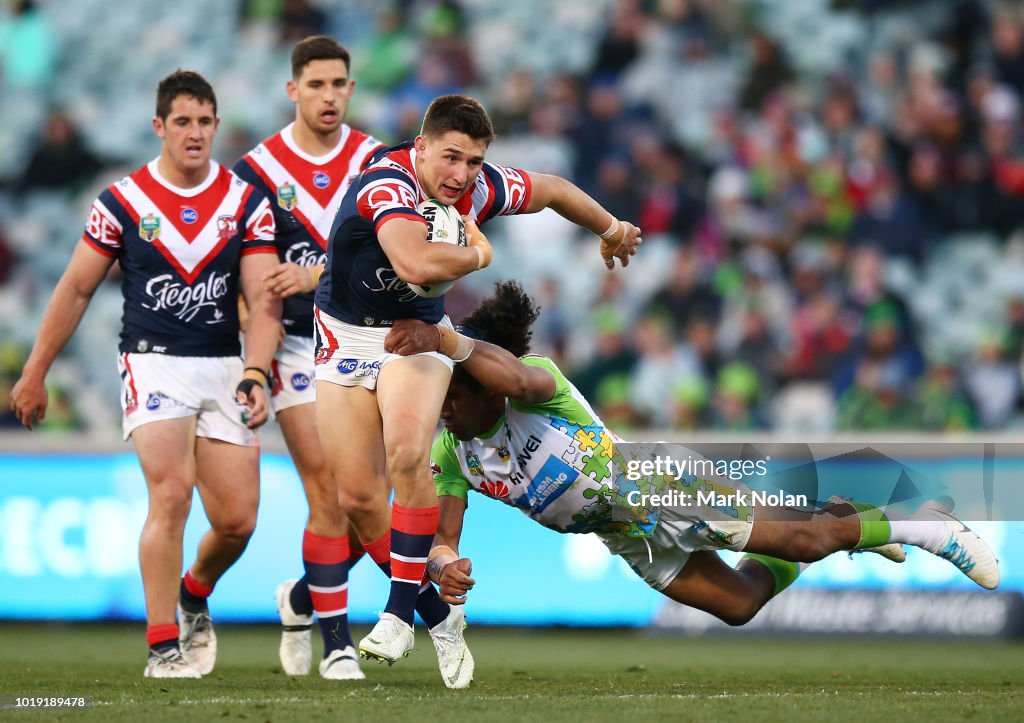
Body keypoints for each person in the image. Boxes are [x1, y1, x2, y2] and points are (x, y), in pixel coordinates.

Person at [382, 281, 1000, 632]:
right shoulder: (449, 448)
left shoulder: (532, 384)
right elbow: (443, 532)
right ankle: (841, 515)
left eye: (449, 396)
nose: (441, 410)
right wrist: (442, 566)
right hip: (621, 533)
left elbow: (514, 377)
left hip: (656, 485)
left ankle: (924, 522)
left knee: (806, 542)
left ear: (477, 384)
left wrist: (444, 338)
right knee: (738, 605)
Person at [313, 94, 641, 672]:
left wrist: (611, 227)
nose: (460, 174)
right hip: (345, 336)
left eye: (472, 161)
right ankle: (439, 619)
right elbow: (416, 266)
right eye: (449, 157)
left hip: (418, 334)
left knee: (409, 454)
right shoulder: (384, 186)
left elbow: (555, 190)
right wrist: (478, 254)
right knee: (361, 502)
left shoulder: (480, 187)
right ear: (419, 148)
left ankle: (394, 619)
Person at [9, 71, 281, 679]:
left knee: (237, 521)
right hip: (152, 359)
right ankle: (163, 647)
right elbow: (77, 287)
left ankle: (194, 591)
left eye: (204, 122)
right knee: (171, 492)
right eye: (181, 122)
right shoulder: (123, 202)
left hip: (222, 363)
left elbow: (264, 301)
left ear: (216, 125)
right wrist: (35, 371)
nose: (194, 133)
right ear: (159, 127)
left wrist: (257, 373)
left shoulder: (245, 202)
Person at [232, 36, 473, 686]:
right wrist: (254, 366)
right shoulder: (255, 171)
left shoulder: (380, 159)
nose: (330, 96)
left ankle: (305, 600)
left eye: (340, 84)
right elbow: (255, 284)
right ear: (294, 91)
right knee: (330, 495)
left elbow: (416, 248)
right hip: (296, 345)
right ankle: (344, 639)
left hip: (376, 337)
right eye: (316, 85)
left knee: (373, 500)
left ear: (351, 89)